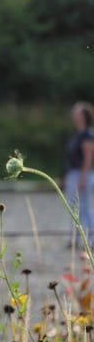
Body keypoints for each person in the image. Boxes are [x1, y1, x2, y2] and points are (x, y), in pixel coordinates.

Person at [64, 101, 94, 248]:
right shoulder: (78, 134)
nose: (73, 115)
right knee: (75, 207)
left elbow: (88, 157)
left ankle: (91, 240)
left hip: (81, 174)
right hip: (74, 174)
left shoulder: (87, 134)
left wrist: (83, 177)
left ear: (83, 116)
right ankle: (76, 238)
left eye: (77, 112)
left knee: (84, 207)